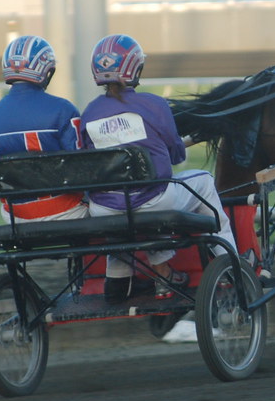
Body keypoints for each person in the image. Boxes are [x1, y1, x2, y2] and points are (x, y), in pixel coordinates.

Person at [80, 34, 237, 303]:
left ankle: (120, 276)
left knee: (128, 204)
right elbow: (176, 156)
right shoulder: (154, 104)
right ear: (135, 68)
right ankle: (230, 263)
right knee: (202, 181)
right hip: (153, 200)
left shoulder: (89, 113)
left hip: (105, 208)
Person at [0, 35, 88, 223]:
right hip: (67, 211)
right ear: (45, 70)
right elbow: (81, 167)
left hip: (14, 217)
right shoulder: (63, 110)